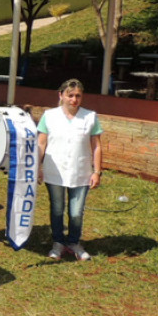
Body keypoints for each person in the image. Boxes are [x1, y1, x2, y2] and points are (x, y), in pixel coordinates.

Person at [37, 79, 103, 261]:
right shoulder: (49, 116)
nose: (74, 99)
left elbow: (97, 146)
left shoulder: (90, 117)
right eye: (70, 95)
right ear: (61, 95)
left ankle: (73, 242)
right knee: (57, 209)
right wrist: (37, 167)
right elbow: (41, 143)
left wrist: (97, 171)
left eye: (78, 96)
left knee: (76, 212)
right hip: (54, 171)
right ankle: (58, 242)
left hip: (80, 171)